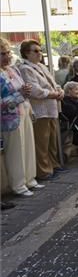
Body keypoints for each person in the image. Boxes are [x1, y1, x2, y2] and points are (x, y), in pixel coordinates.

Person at [1, 37, 44, 196]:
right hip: (9, 119)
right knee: (16, 152)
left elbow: (24, 91)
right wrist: (19, 96)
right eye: (2, 54)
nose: (6, 56)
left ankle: (30, 179)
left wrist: (28, 105)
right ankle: (18, 185)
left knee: (28, 147)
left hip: (24, 111)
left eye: (7, 53)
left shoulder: (13, 70)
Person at [18, 39, 65, 181]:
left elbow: (53, 82)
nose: (40, 54)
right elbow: (34, 90)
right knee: (41, 142)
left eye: (40, 51)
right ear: (27, 53)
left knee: (52, 140)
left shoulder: (41, 67)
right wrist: (54, 94)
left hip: (51, 109)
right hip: (40, 110)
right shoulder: (25, 69)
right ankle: (44, 171)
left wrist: (60, 90)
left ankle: (53, 165)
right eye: (36, 51)